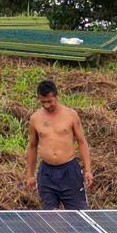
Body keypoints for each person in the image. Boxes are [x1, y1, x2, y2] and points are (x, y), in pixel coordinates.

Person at [23, 80, 93, 210]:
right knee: (50, 216)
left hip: (69, 171)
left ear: (56, 96)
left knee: (78, 213)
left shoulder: (71, 115)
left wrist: (88, 170)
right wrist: (30, 175)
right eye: (43, 102)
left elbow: (82, 142)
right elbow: (32, 146)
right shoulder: (35, 118)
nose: (47, 105)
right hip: (47, 172)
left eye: (50, 101)